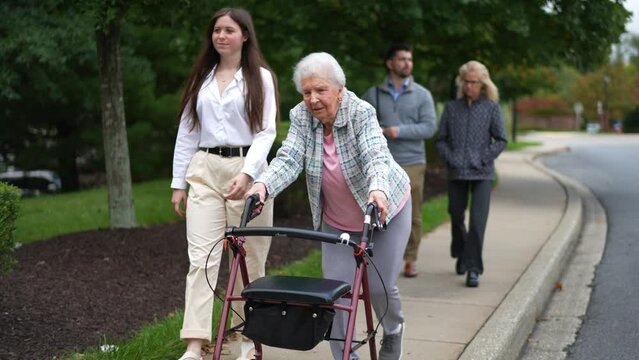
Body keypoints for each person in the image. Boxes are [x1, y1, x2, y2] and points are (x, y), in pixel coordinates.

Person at [247, 52, 411, 360]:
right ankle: (345, 355)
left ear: (339, 89)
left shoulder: (361, 112)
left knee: (378, 286)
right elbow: (289, 157)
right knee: (335, 294)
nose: (312, 99)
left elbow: (375, 154)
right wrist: (263, 186)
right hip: (337, 219)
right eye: (307, 92)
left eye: (320, 90)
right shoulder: (301, 116)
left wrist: (378, 190)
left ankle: (393, 329)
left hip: (383, 208)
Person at [170, 7, 278, 360]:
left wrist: (248, 174)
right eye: (216, 30)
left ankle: (247, 339)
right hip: (205, 168)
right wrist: (178, 183)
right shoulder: (202, 77)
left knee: (249, 260)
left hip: (248, 170)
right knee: (201, 259)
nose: (221, 36)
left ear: (245, 35)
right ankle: (195, 344)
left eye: (229, 30)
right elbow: (187, 132)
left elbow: (267, 132)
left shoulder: (260, 77)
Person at [362, 43, 437, 278]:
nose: (407, 63)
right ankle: (379, 258)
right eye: (402, 59)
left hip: (412, 161)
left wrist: (399, 131)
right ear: (390, 63)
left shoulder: (422, 94)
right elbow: (362, 123)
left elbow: (429, 127)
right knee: (379, 212)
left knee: (412, 213)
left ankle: (411, 258)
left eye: (410, 59)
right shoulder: (373, 94)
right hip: (381, 162)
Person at [435, 60, 507, 288]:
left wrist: (482, 158)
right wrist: (451, 157)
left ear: (482, 84)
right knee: (456, 216)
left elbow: (501, 140)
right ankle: (462, 251)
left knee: (477, 221)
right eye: (466, 82)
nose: (469, 86)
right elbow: (440, 140)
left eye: (474, 82)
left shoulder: (491, 108)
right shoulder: (451, 108)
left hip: (482, 173)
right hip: (456, 171)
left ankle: (473, 268)